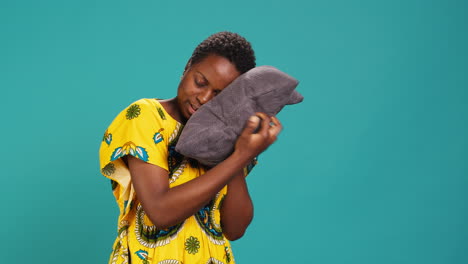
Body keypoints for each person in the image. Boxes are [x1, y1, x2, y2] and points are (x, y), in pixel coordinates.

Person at [99, 31, 282, 264]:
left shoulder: (231, 137)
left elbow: (234, 229)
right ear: (188, 67)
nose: (204, 98)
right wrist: (240, 156)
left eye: (220, 94)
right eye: (200, 82)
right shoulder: (146, 117)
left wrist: (238, 152)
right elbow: (161, 212)